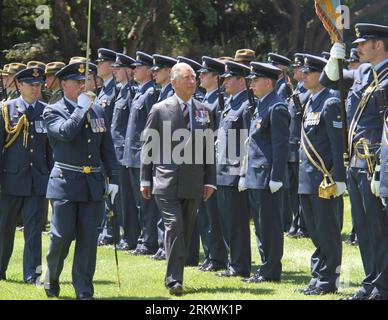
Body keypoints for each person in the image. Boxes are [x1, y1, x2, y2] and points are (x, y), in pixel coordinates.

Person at [322, 23, 388, 300]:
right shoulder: (363, 72)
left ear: (380, 45)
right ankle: (371, 280)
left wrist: (383, 170)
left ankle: (383, 286)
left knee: (379, 230)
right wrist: (333, 60)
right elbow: (329, 82)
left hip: (376, 164)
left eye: (364, 43)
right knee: (363, 228)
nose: (357, 47)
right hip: (357, 164)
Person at [42, 62, 119, 300]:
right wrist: (79, 110)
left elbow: (107, 149)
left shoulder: (97, 111)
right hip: (65, 182)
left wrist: (113, 179)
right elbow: (65, 133)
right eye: (76, 83)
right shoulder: (52, 111)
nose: (82, 87)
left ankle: (84, 290)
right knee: (62, 236)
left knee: (88, 240)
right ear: (64, 84)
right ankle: (52, 276)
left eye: (83, 82)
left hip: (92, 184)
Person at [140, 62, 216, 295]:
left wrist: (209, 180)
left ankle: (175, 275)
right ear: (173, 82)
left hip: (193, 182)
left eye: (194, 77)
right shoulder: (160, 109)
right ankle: (174, 279)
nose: (192, 81)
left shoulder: (204, 110)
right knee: (174, 226)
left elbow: (208, 148)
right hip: (166, 181)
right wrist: (145, 179)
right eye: (187, 78)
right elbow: (148, 145)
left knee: (185, 230)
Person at [297, 54, 346, 295]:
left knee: (327, 231)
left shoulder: (330, 101)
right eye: (303, 72)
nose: (303, 76)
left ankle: (329, 280)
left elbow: (338, 145)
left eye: (308, 72)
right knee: (315, 232)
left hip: (324, 180)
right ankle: (318, 276)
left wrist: (339, 179)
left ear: (322, 74)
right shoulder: (310, 101)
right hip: (307, 180)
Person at [0, 67, 51, 284]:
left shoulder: (47, 111)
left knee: (34, 231)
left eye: (38, 85)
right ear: (19, 85)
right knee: (4, 229)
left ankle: (32, 274)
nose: (35, 88)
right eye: (31, 84)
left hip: (37, 180)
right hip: (10, 180)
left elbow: (51, 150)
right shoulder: (6, 110)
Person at [240, 62, 289, 283]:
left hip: (267, 176)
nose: (251, 85)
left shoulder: (276, 107)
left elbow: (280, 146)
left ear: (268, 82)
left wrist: (277, 176)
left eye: (255, 81)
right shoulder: (262, 104)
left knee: (269, 226)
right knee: (260, 226)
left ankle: (271, 270)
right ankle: (265, 266)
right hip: (256, 176)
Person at [215, 61, 251, 278]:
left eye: (229, 78)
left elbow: (248, 142)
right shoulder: (230, 103)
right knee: (227, 223)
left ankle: (240, 265)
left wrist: (244, 173)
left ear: (241, 81)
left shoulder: (246, 105)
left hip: (235, 171)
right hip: (222, 170)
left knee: (236, 224)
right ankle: (233, 263)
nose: (225, 81)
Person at [122, 51, 159, 255]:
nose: (134, 70)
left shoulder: (151, 94)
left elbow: (151, 128)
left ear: (149, 71)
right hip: (132, 154)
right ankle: (143, 238)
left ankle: (149, 241)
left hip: (141, 154)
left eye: (138, 67)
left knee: (146, 203)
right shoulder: (139, 92)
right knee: (138, 202)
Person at [197, 56, 228, 272]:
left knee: (213, 215)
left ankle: (217, 257)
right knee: (205, 215)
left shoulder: (219, 101)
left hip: (212, 164)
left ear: (216, 77)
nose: (200, 76)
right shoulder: (205, 99)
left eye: (205, 73)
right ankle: (209, 254)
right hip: (200, 161)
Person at [110, 53, 140, 251]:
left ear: (129, 70)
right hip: (118, 152)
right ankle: (127, 235)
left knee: (130, 200)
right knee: (122, 199)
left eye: (119, 68)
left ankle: (132, 236)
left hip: (126, 152)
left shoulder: (131, 92)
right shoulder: (121, 91)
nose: (115, 71)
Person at [149, 53, 177, 261]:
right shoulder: (162, 94)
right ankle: (161, 245)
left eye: (158, 69)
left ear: (168, 72)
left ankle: (164, 246)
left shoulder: (171, 96)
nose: (154, 73)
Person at [287, 53, 310, 239]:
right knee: (293, 189)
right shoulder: (297, 90)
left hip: (301, 145)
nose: (295, 70)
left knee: (302, 189)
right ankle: (297, 220)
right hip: (291, 147)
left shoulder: (308, 92)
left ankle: (304, 224)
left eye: (298, 68)